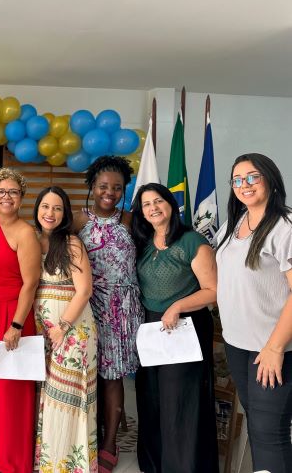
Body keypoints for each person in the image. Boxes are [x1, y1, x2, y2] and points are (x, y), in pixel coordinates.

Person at [131, 183, 219, 473]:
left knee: (179, 402)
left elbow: (213, 291)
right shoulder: (142, 241)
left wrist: (178, 306)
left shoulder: (193, 241)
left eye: (158, 201)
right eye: (146, 204)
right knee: (152, 399)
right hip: (150, 327)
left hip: (185, 327)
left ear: (171, 204)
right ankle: (154, 465)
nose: (153, 208)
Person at [215, 153, 292, 473]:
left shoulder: (284, 225)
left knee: (268, 432)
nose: (243, 185)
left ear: (271, 181)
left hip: (272, 348)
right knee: (260, 424)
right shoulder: (233, 224)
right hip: (238, 344)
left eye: (252, 177)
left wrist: (274, 348)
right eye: (237, 179)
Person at [74, 155, 142, 473]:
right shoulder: (77, 221)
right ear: (92, 186)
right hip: (86, 308)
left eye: (117, 187)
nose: (109, 192)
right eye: (103, 186)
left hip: (122, 311)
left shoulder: (130, 221)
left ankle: (110, 441)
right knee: (87, 376)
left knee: (112, 378)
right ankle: (86, 436)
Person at [0, 168, 41, 473]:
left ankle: (11, 457)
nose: (6, 197)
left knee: (11, 388)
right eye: (0, 191)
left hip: (12, 316)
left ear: (21, 197)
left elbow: (30, 284)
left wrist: (15, 325)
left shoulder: (26, 233)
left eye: (13, 192)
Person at [33, 186, 98, 473]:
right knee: (48, 395)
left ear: (65, 213)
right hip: (41, 334)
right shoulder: (32, 240)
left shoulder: (71, 243)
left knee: (70, 397)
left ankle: (71, 465)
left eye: (57, 208)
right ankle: (49, 460)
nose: (50, 213)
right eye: (45, 206)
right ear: (37, 209)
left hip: (72, 332)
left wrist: (62, 327)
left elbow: (84, 291)